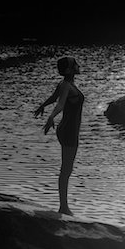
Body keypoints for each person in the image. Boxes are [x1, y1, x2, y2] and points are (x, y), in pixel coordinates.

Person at [34, 56, 84, 215]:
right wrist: (51, 116)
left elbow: (54, 97)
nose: (78, 66)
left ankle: (64, 206)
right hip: (69, 131)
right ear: (69, 70)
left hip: (67, 129)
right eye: (75, 64)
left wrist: (43, 105)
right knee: (66, 170)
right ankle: (64, 207)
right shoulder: (67, 86)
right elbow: (60, 103)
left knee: (66, 169)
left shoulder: (65, 84)